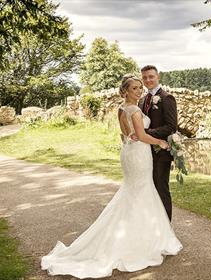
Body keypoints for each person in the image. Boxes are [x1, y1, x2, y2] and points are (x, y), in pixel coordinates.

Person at [41, 74, 182, 279]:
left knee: (133, 193)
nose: (139, 91)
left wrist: (135, 137)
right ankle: (139, 242)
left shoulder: (121, 109)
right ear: (125, 90)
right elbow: (141, 136)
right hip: (140, 153)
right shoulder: (134, 109)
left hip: (129, 152)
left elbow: (127, 135)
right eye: (134, 88)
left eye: (139, 88)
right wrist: (160, 143)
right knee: (141, 192)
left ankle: (138, 235)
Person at [138, 65, 177, 221]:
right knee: (149, 189)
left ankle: (166, 228)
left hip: (161, 153)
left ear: (158, 77)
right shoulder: (142, 100)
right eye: (145, 77)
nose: (148, 80)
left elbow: (171, 127)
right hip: (144, 152)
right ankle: (153, 226)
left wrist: (145, 133)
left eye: (151, 76)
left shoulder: (167, 98)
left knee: (161, 189)